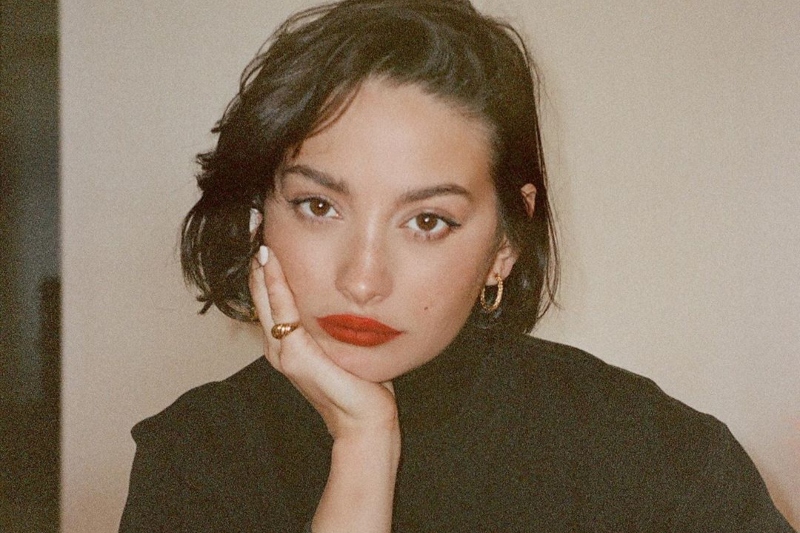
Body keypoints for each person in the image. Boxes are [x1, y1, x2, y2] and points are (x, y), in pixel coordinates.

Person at [119, 1, 795, 531]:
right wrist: (363, 446)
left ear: (505, 242)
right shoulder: (195, 459)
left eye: (427, 221)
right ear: (260, 211)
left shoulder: (659, 461)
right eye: (319, 206)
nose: (363, 279)